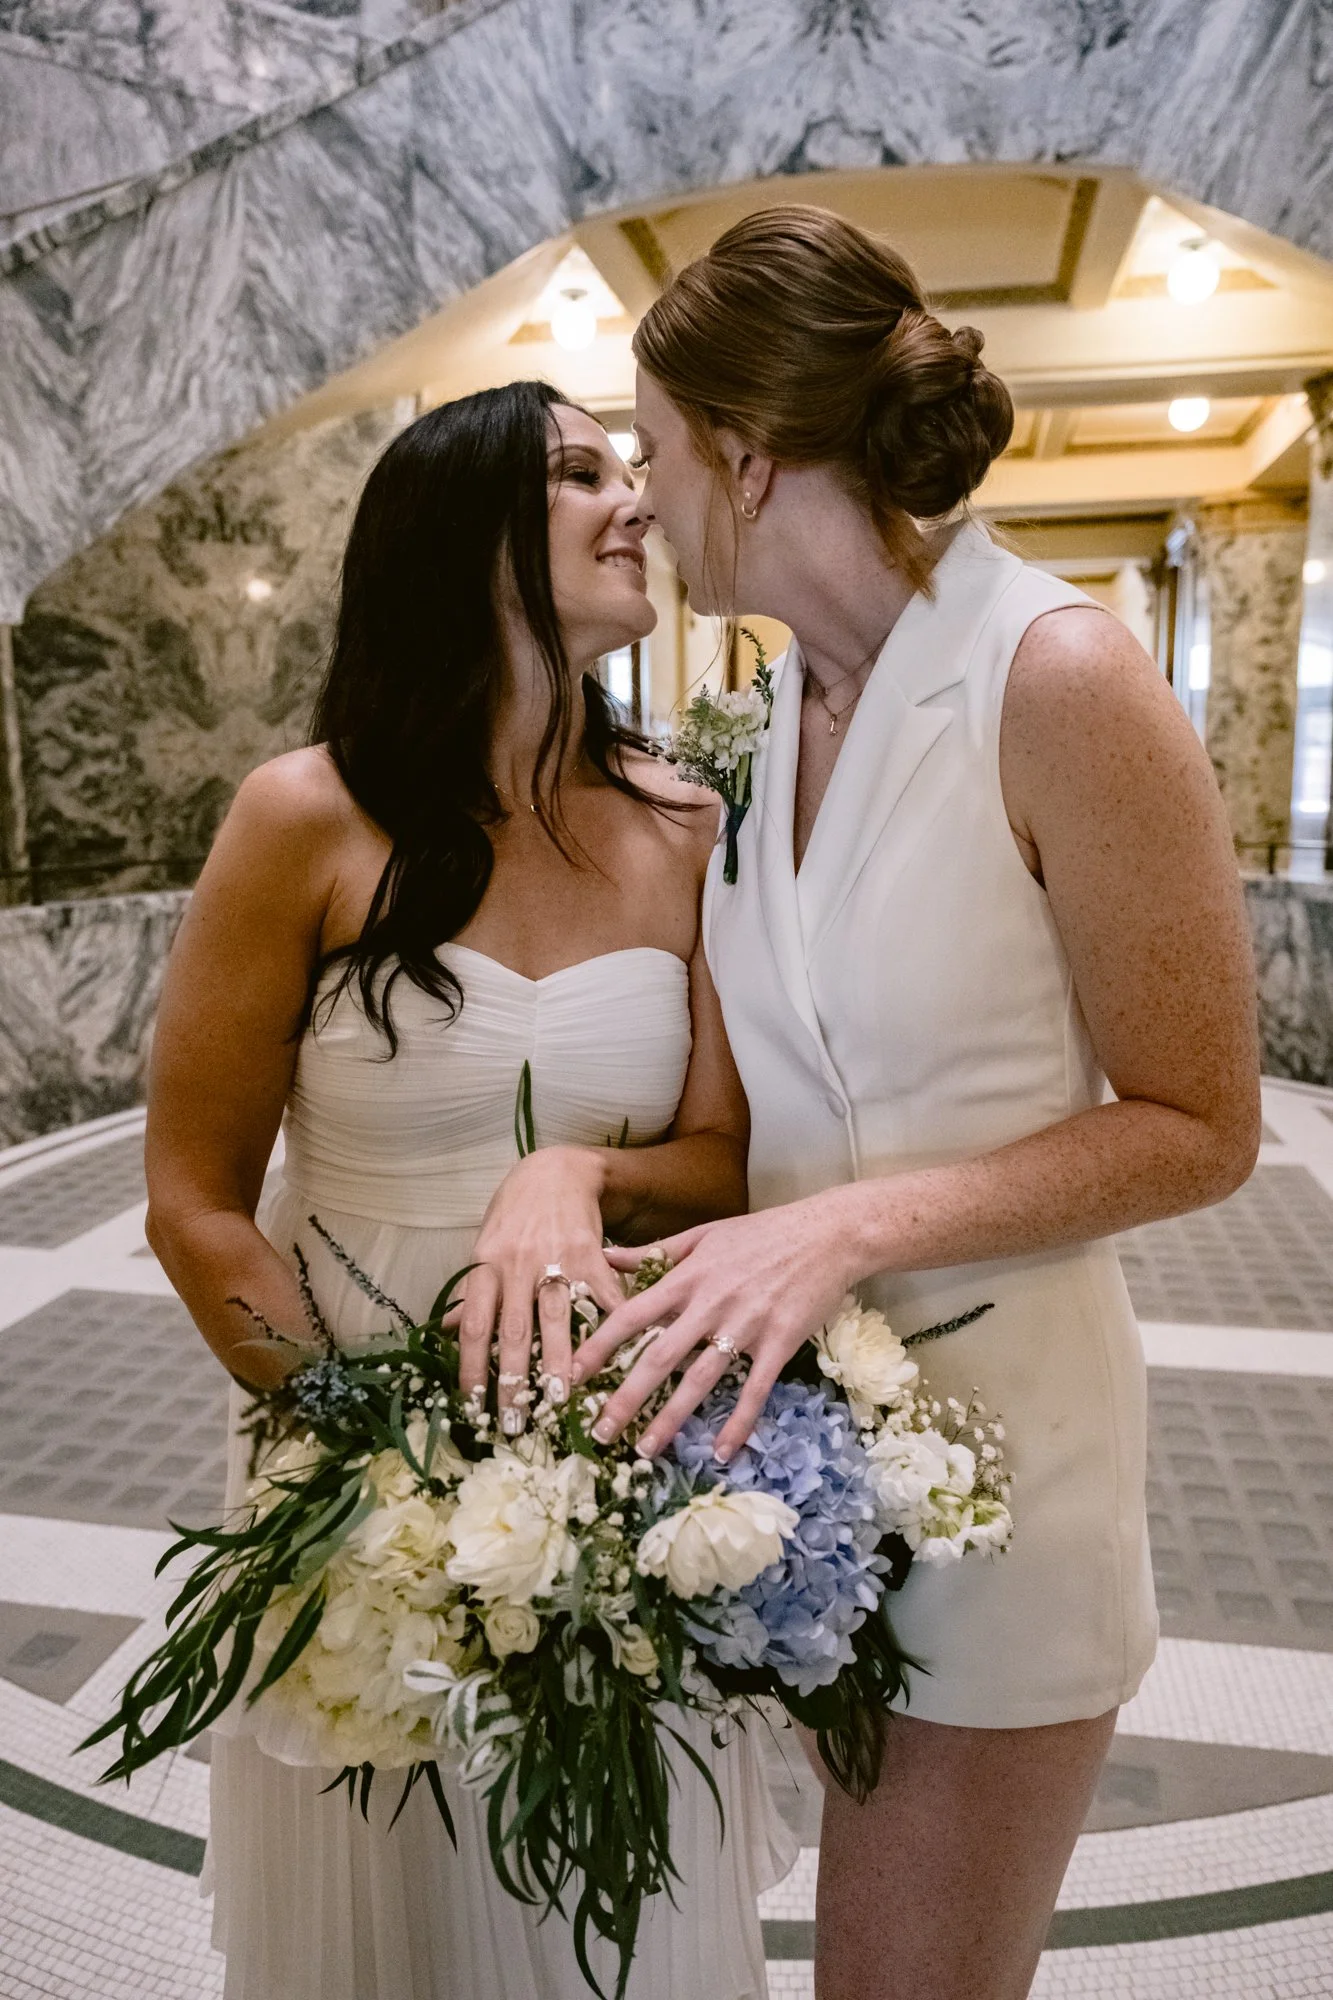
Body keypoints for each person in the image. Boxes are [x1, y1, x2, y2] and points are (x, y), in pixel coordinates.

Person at [573, 206, 1262, 2000]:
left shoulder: (1063, 678)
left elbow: (1204, 1120)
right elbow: (761, 1116)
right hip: (797, 1474)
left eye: (648, 448)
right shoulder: (766, 709)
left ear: (749, 449)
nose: (636, 497)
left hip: (1009, 1466)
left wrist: (852, 1229)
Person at [143, 381, 792, 2000]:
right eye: (580, 472)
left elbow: (716, 1160)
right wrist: (363, 1450)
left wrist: (578, 1173)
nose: (633, 500)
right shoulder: (303, 816)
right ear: (459, 532)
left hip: (611, 1441)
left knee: (612, 1906)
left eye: (629, 469)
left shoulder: (686, 821)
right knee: (401, 1908)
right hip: (350, 1440)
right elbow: (195, 1196)